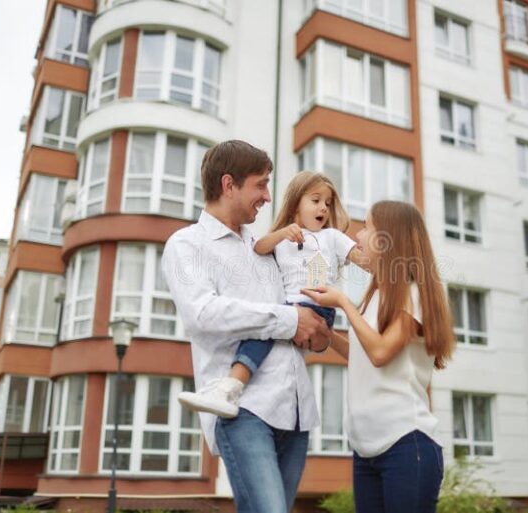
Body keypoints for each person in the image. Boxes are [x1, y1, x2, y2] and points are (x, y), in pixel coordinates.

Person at [161, 140, 331, 513]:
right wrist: (289, 320)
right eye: (261, 184)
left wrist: (318, 333)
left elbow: (301, 320)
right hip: (244, 411)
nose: (268, 196)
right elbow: (202, 313)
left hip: (296, 411)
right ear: (228, 185)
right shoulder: (187, 245)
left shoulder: (267, 248)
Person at [302, 200, 455, 513]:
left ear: (389, 238)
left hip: (405, 444)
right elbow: (362, 355)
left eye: (368, 226)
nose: (359, 235)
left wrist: (343, 303)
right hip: (365, 449)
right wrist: (327, 336)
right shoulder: (375, 297)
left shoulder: (413, 294)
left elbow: (381, 353)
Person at [178, 171, 367, 417]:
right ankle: (231, 389)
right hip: (289, 310)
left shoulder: (331, 237)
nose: (324, 208)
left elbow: (364, 261)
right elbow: (258, 248)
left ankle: (229, 386)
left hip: (318, 308)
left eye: (328, 203)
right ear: (295, 204)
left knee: (267, 330)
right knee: (265, 330)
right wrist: (283, 233)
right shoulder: (282, 239)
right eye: (316, 200)